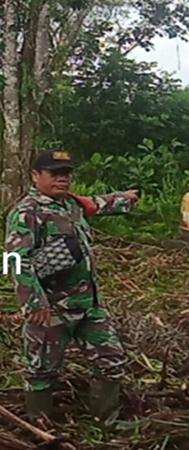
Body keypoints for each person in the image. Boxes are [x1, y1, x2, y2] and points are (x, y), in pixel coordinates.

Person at [4, 150, 140, 421]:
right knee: (41, 371)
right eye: (54, 173)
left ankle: (106, 421)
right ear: (35, 176)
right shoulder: (26, 213)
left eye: (66, 173)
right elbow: (14, 261)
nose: (62, 179)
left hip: (89, 305)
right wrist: (33, 302)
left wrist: (127, 198)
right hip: (51, 308)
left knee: (110, 360)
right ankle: (38, 427)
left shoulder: (71, 205)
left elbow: (98, 204)